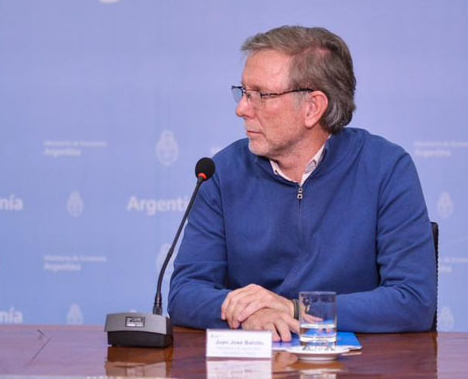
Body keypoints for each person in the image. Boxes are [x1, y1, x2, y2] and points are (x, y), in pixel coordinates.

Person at [167, 25, 436, 339]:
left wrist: (295, 309)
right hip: (255, 365)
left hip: (355, 366)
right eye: (243, 92)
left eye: (261, 95)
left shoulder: (385, 168)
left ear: (312, 108)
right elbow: (185, 293)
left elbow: (413, 300)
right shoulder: (221, 172)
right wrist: (250, 314)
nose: (242, 109)